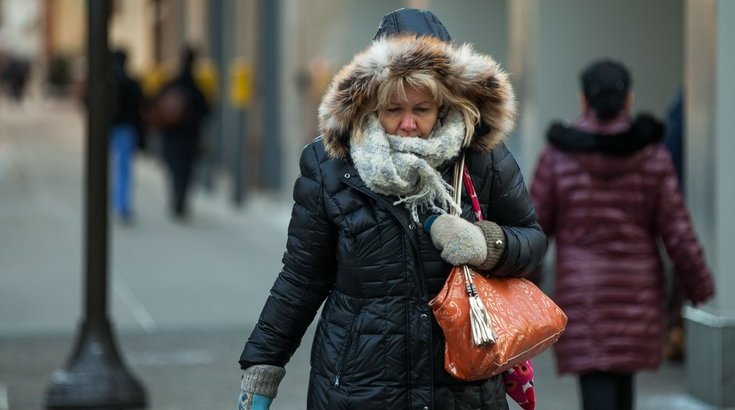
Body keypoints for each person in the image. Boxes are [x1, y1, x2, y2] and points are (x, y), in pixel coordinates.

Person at [236, 8, 547, 410]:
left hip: (460, 389)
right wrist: (264, 365)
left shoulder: (481, 156)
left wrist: (487, 244)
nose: (407, 124)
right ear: (370, 103)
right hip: (357, 386)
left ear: (446, 103)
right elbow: (302, 276)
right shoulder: (330, 165)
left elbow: (533, 241)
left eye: (421, 110)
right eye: (393, 109)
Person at [529, 59, 715, 410]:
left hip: (580, 292)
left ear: (583, 100)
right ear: (629, 100)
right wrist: (699, 285)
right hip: (637, 292)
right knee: (623, 380)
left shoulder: (558, 157)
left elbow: (534, 229)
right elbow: (677, 231)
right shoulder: (652, 156)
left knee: (595, 382)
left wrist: (526, 286)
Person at [154, 45, 209, 220]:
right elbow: (206, 109)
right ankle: (181, 199)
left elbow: (156, 102)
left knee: (173, 168)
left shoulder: (171, 81)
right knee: (186, 170)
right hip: (189, 136)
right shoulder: (196, 85)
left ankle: (176, 198)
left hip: (171, 135)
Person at [109, 49, 145, 224]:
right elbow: (141, 107)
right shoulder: (131, 83)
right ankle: (122, 205)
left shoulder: (107, 83)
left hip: (110, 129)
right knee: (123, 169)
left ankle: (114, 203)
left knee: (110, 168)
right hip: (125, 129)